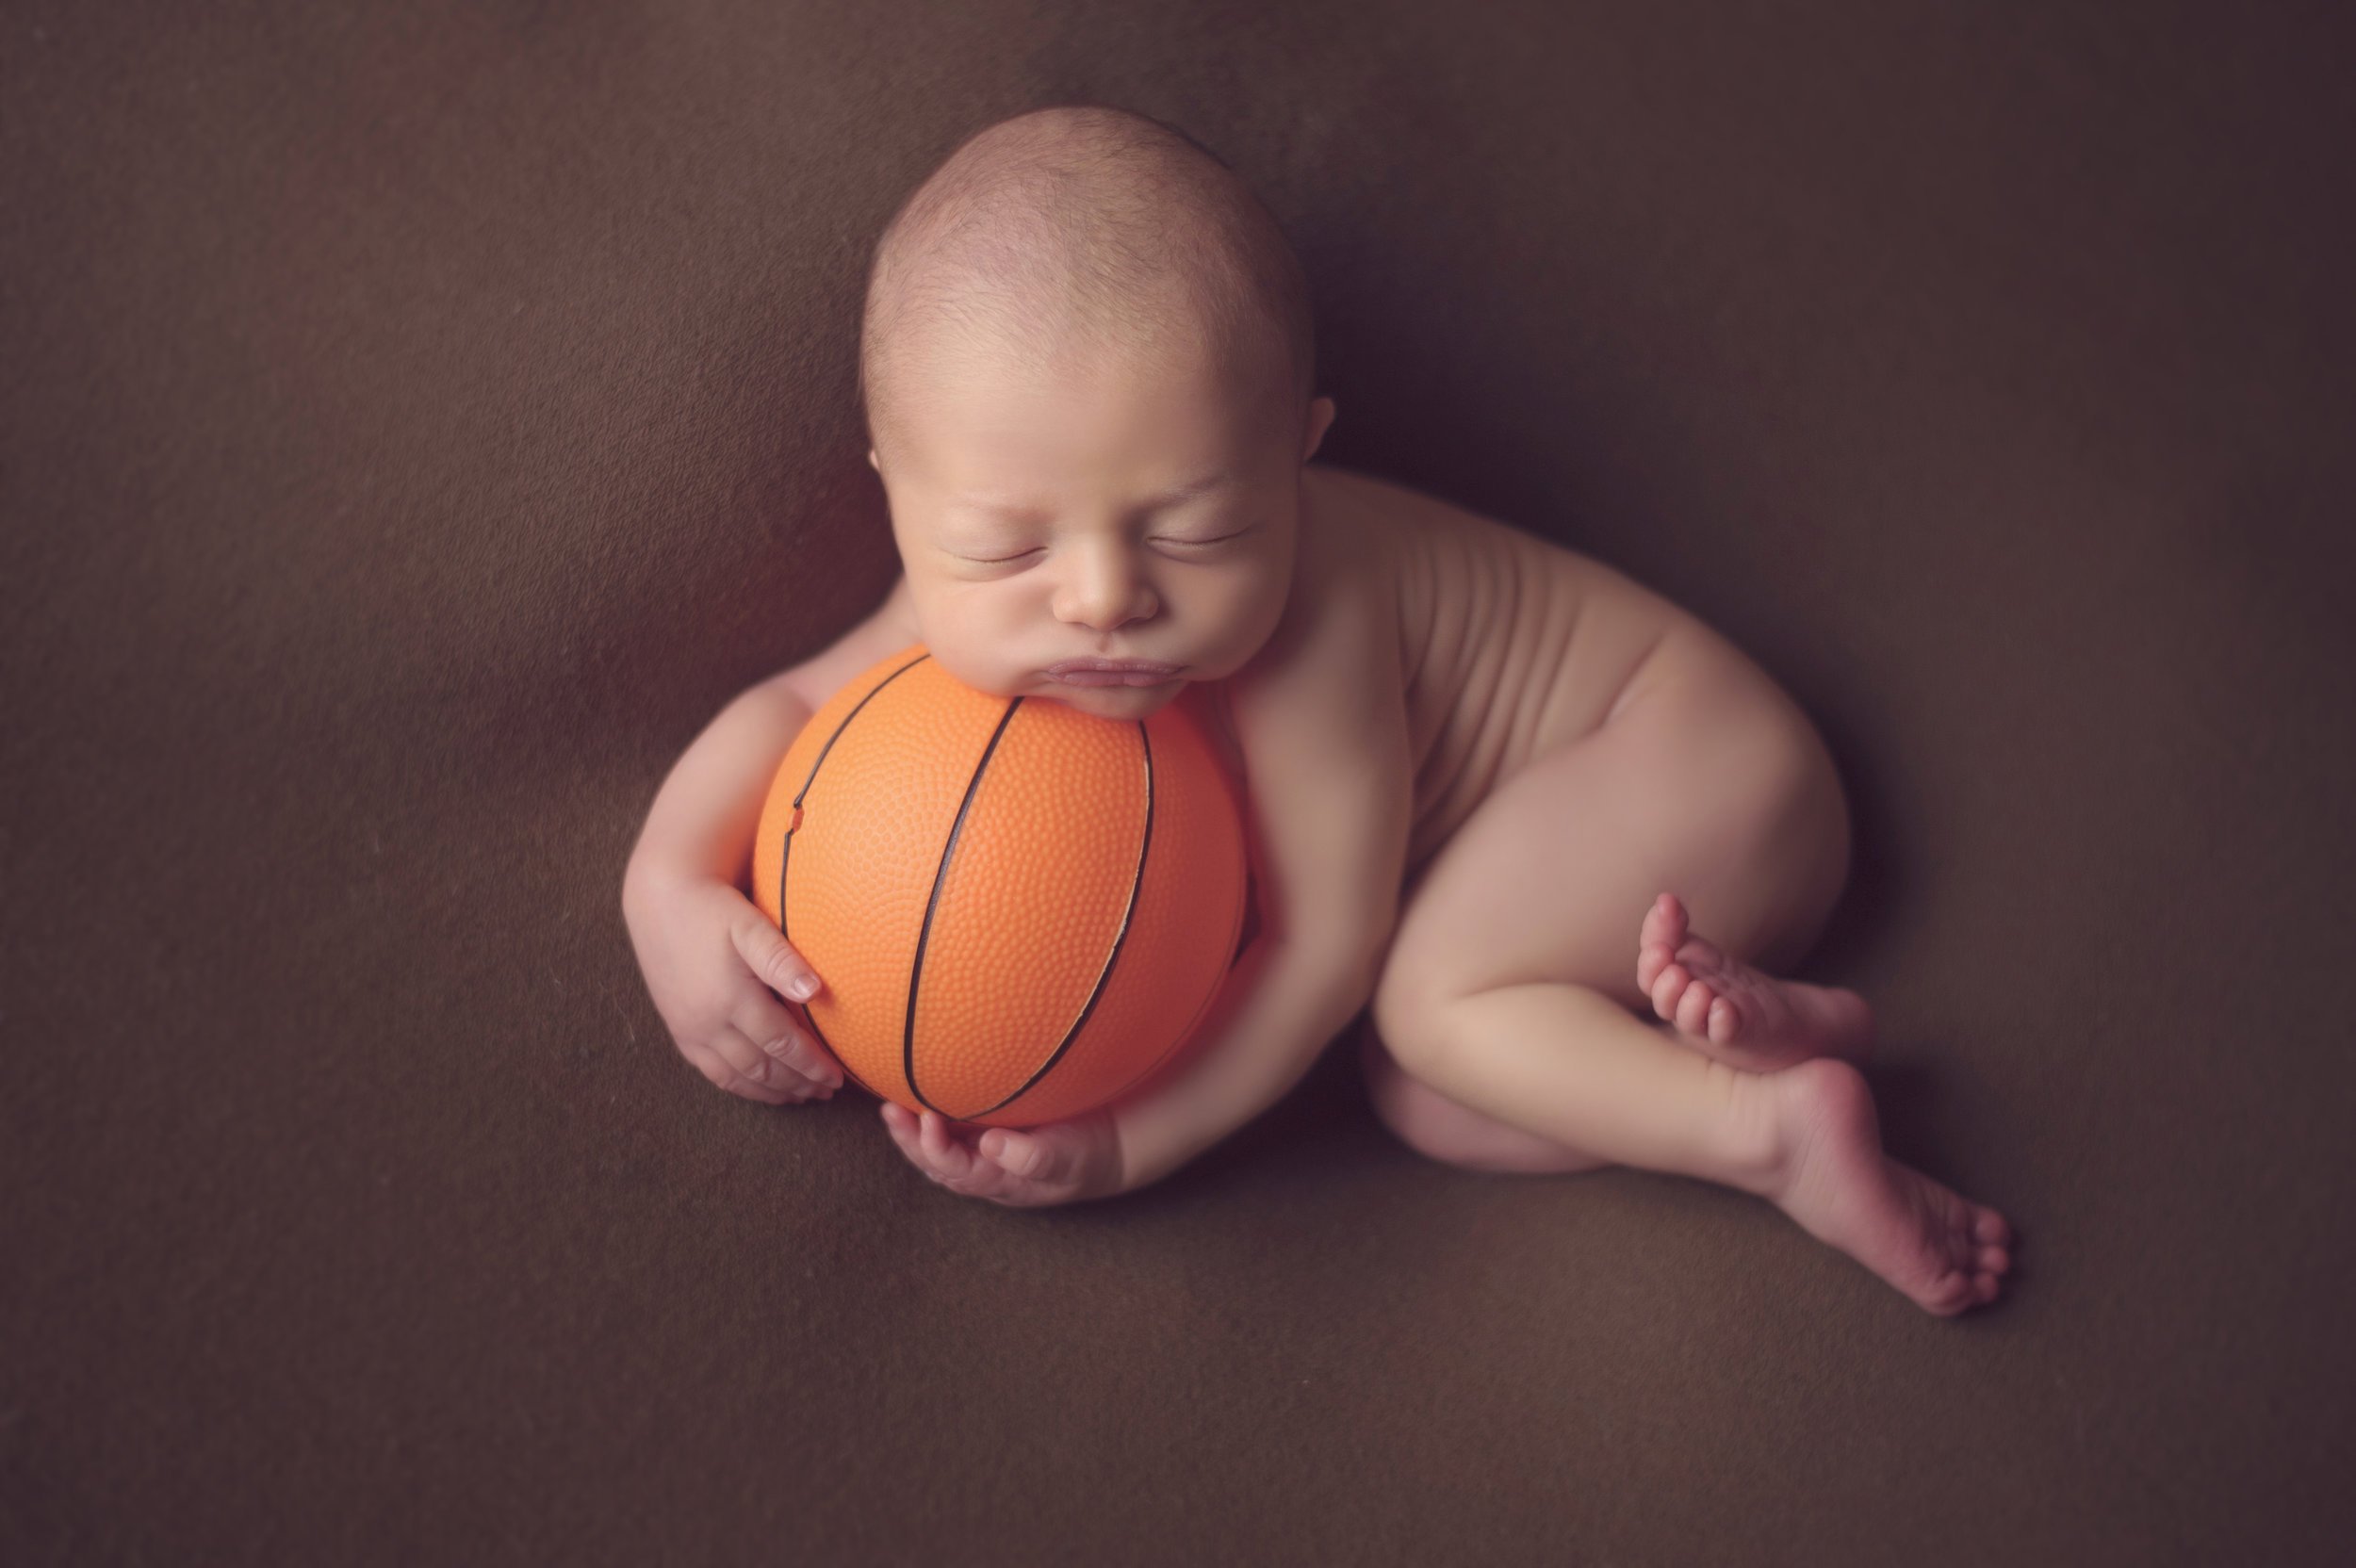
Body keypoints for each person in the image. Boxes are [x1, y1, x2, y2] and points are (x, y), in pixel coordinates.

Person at [620, 106, 2013, 1315]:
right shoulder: (986, 580)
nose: (1103, 597)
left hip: (1697, 761)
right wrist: (669, 884)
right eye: (1006, 547)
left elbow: (1324, 948)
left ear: (1298, 455)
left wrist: (1124, 1146)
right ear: (898, 492)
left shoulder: (1313, 625)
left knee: (1429, 1006)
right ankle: (1777, 1025)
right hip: (1635, 878)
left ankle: (1774, 1131)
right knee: (1440, 1105)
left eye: (1202, 529)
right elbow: (802, 701)